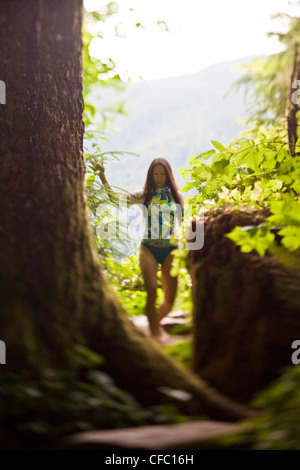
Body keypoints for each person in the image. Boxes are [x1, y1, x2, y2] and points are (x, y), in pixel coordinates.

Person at [93, 157, 184, 343]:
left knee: (169, 300)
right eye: (155, 174)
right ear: (151, 175)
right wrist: (102, 175)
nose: (159, 177)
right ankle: (155, 336)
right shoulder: (144, 194)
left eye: (162, 173)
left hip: (170, 249)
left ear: (168, 175)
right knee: (151, 290)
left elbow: (182, 226)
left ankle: (149, 327)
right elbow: (115, 199)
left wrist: (187, 250)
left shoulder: (177, 196)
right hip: (148, 248)